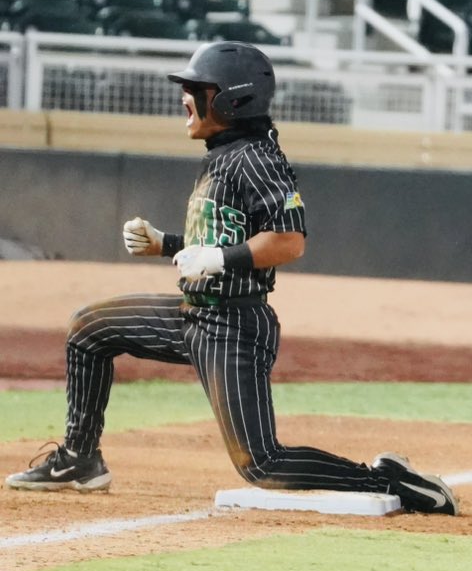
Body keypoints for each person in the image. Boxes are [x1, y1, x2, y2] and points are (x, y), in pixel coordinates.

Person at [5, 42, 458, 515]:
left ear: (230, 99)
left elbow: (288, 240)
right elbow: (224, 236)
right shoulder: (223, 154)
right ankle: (79, 458)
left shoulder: (257, 157)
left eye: (196, 88)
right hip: (193, 316)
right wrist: (167, 243)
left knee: (260, 464)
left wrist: (218, 259)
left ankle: (388, 481)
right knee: (89, 329)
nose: (184, 97)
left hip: (233, 329)